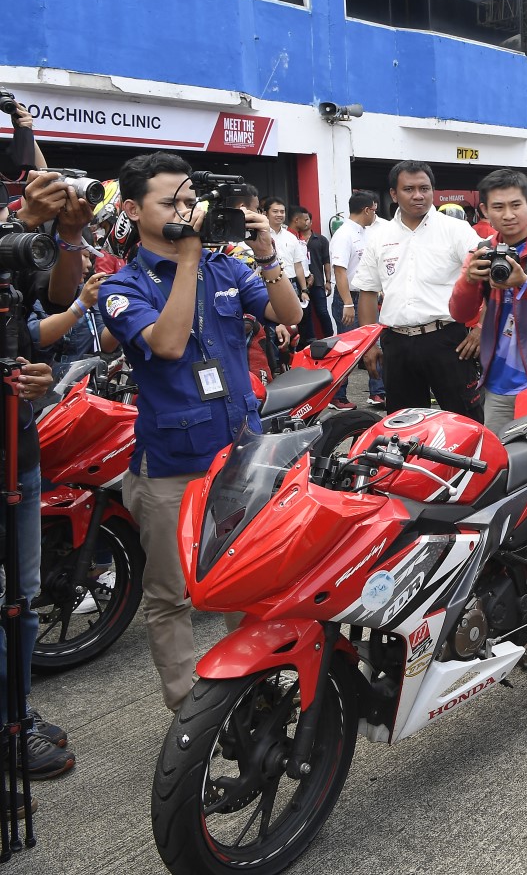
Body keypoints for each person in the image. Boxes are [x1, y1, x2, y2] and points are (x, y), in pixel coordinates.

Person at [100, 152, 304, 714]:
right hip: (171, 466)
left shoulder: (228, 266)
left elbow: (286, 314)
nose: (185, 212)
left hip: (241, 456)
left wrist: (266, 254)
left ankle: (253, 691)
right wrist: (187, 258)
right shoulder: (122, 287)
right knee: (171, 594)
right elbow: (166, 345)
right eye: (170, 203)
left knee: (253, 580)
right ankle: (191, 711)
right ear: (131, 209)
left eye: (190, 201)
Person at [9, 165, 93, 787]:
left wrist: (67, 236)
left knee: (22, 599)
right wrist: (21, 223)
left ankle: (16, 714)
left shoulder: (22, 237)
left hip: (17, 448)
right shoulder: (13, 225)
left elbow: (51, 305)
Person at [353, 160, 484, 418]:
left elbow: (492, 278)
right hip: (397, 344)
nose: (418, 196)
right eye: (409, 189)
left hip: (448, 341)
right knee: (404, 427)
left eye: (424, 188)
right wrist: (368, 345)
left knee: (465, 421)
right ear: (393, 193)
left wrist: (482, 328)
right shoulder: (379, 236)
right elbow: (367, 292)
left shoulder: (456, 230)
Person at [450, 168, 527, 430]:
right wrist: (469, 281)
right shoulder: (482, 251)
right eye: (498, 207)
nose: (508, 215)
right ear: (485, 211)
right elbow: (460, 314)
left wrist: (525, 283)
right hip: (497, 385)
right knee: (498, 466)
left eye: (515, 205)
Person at [329, 190, 384, 407]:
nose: (375, 216)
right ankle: (337, 396)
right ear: (367, 209)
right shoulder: (344, 234)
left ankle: (377, 392)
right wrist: (348, 303)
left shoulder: (364, 232)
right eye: (374, 211)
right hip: (349, 299)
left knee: (374, 343)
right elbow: (340, 272)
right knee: (347, 350)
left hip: (366, 296)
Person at [288, 206, 334, 341]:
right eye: (304, 219)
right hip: (299, 283)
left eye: (308, 220)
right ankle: (310, 342)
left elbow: (326, 261)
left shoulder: (320, 240)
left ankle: (330, 338)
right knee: (304, 314)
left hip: (318, 282)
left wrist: (328, 281)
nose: (306, 222)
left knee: (322, 312)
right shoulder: (293, 238)